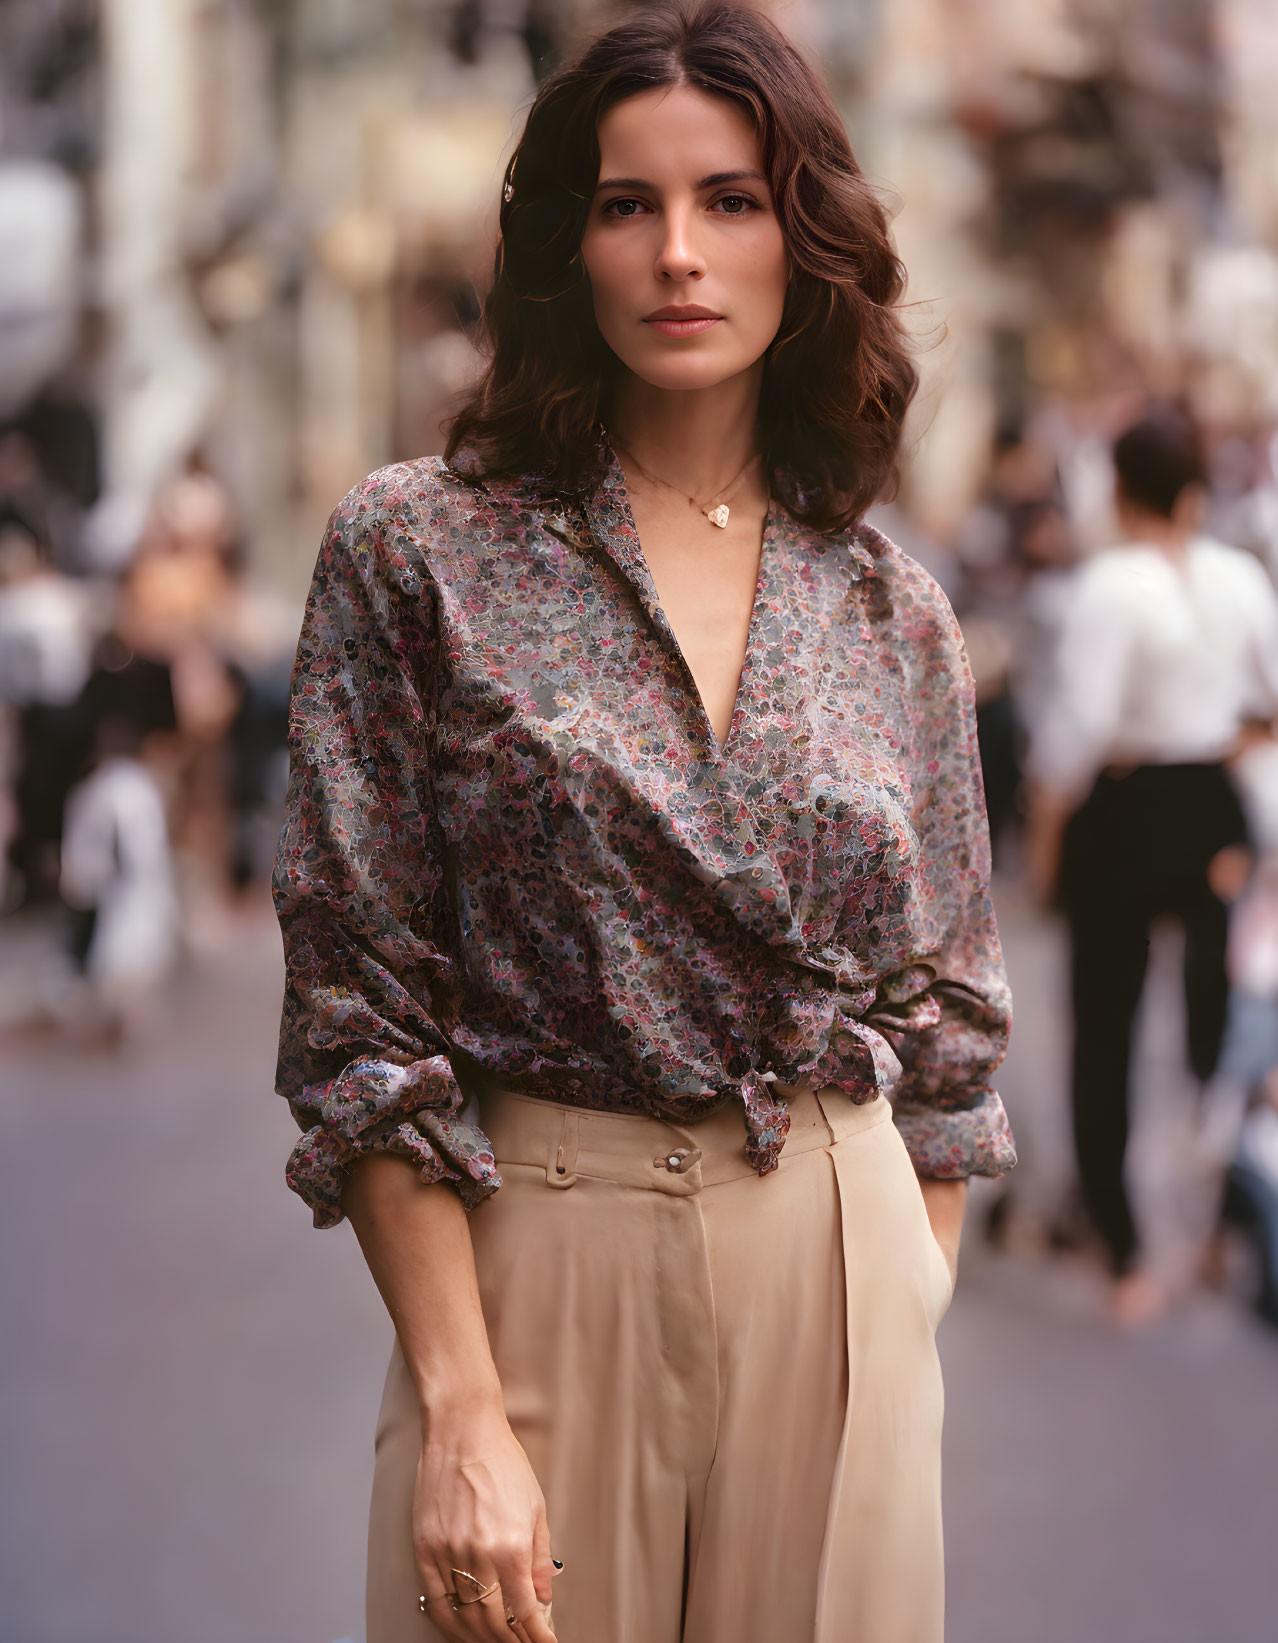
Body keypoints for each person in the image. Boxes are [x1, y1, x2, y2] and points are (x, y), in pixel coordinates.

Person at [272, 7, 1015, 1641]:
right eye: (627, 205)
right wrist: (463, 1398)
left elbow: (948, 1028)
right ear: (568, 245)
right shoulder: (422, 550)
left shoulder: (890, 607)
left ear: (801, 235)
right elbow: (357, 1011)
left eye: (731, 199)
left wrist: (894, 1290)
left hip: (836, 1264)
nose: (679, 253)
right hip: (539, 1256)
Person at [1027, 404, 1278, 1325]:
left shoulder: (1111, 584)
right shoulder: (1239, 576)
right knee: (1216, 1021)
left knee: (1107, 1027)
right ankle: (1221, 1219)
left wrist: (1048, 847)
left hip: (1124, 809)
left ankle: (1127, 1245)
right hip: (1211, 806)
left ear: (1122, 485)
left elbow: (1074, 735)